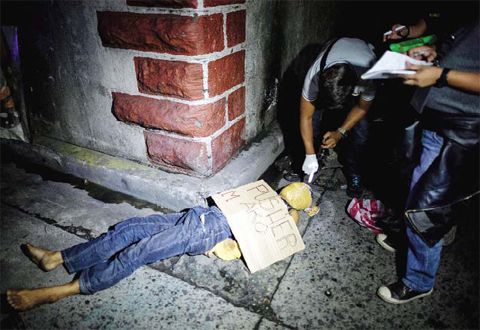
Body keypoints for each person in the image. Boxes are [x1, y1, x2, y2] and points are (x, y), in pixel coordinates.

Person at [6, 182, 316, 311]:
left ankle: (60, 292)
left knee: (136, 253)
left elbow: (250, 247)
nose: (285, 194)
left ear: (301, 209)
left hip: (200, 234)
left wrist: (224, 247)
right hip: (195, 217)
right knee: (128, 228)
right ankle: (56, 257)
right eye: (287, 191)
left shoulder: (283, 224)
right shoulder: (266, 195)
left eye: (292, 199)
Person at [376, 18, 479, 304]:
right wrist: (434, 53)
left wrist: (441, 75)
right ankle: (410, 241)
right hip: (435, 118)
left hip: (463, 129)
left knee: (427, 207)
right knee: (414, 187)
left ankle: (419, 280)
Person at [289, 37, 377, 199]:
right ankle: (309, 165)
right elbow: (305, 117)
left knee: (362, 134)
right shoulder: (314, 75)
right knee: (313, 124)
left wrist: (341, 131)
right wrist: (309, 155)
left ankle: (354, 172)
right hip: (330, 66)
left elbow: (362, 107)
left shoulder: (369, 75)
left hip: (360, 72)